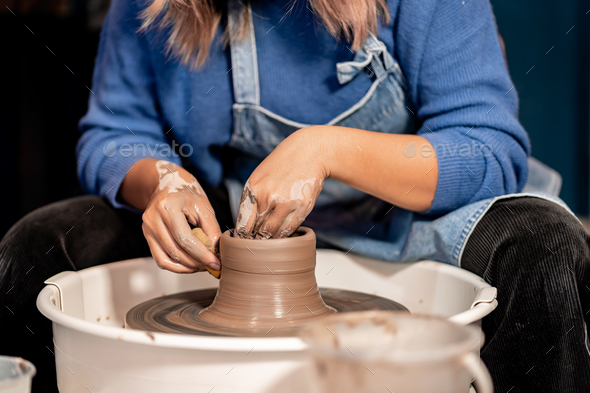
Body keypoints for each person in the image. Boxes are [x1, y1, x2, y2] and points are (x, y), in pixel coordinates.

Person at [1, 0, 589, 391]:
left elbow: (489, 148)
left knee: (546, 252)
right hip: (228, 230)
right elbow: (114, 130)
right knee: (38, 248)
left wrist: (326, 151)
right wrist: (162, 180)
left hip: (414, 220)